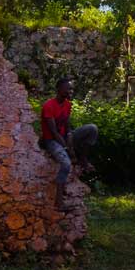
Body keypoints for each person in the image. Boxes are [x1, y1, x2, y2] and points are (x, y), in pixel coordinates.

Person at [40, 78, 99, 209]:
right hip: (51, 140)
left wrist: (70, 142)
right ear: (59, 89)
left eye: (71, 89)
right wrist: (67, 149)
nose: (70, 91)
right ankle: (59, 202)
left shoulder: (67, 104)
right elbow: (54, 132)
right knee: (66, 164)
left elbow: (67, 128)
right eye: (68, 89)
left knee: (92, 128)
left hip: (63, 138)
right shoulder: (48, 106)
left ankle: (83, 159)